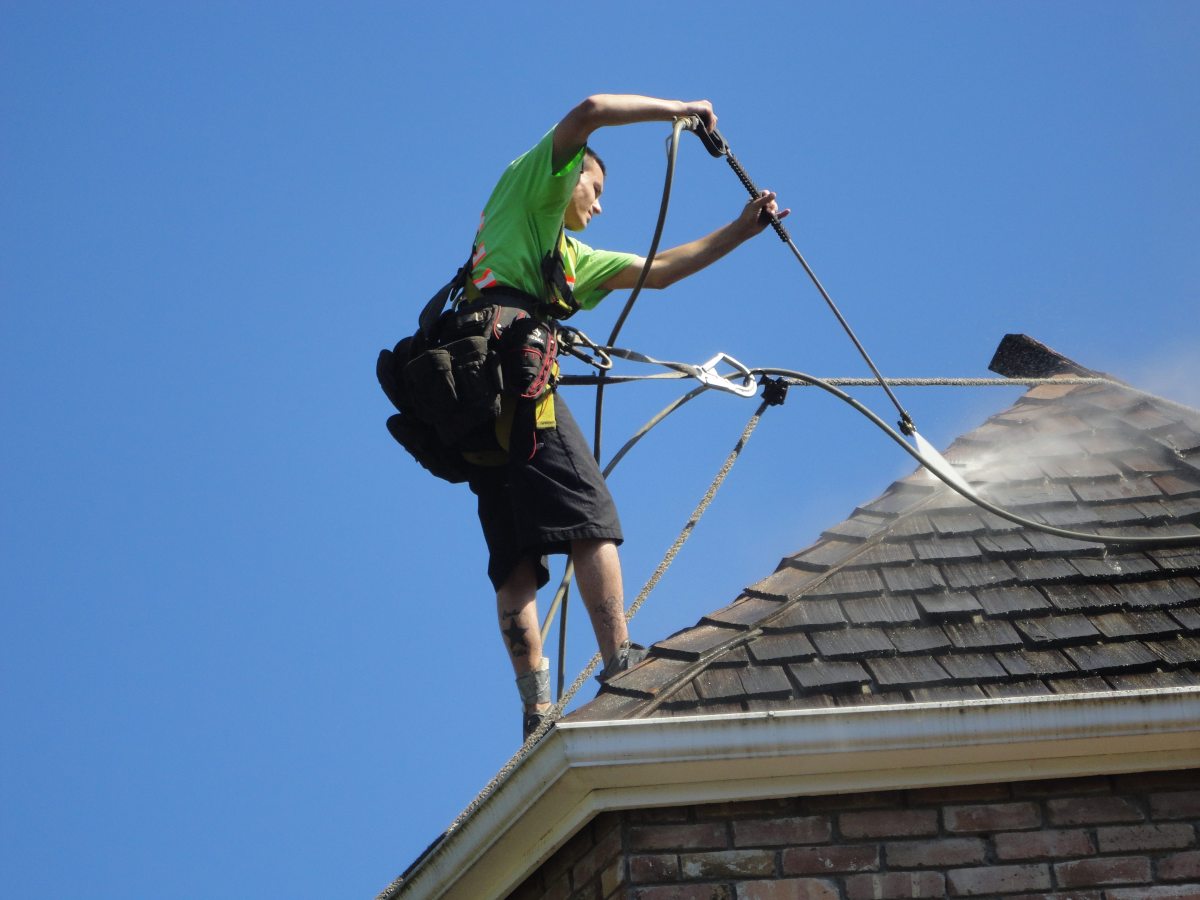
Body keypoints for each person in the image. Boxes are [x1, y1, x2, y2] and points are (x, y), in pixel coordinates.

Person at [457, 94, 788, 739]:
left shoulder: (565, 261)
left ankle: (536, 707)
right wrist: (678, 110)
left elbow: (658, 271)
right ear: (571, 172)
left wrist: (740, 229)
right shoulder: (532, 187)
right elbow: (588, 110)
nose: (600, 204)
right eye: (596, 188)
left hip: (471, 399)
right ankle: (620, 665)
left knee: (516, 556)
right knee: (592, 514)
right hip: (512, 372)